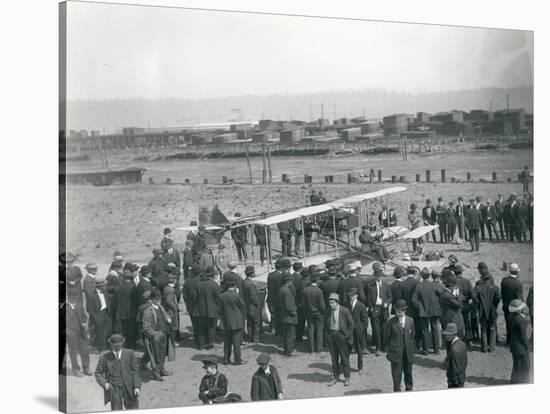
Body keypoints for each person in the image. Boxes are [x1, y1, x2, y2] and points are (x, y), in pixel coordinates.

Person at [95, 334, 141, 410]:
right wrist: (105, 383)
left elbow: (135, 371)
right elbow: (98, 373)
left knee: (133, 408)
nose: (117, 348)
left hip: (129, 386)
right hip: (114, 387)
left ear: (122, 344)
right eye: (115, 346)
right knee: (116, 409)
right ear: (111, 345)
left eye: (119, 346)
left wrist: (136, 386)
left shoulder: (130, 354)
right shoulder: (104, 357)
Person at [141, 288, 173, 381]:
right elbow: (146, 328)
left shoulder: (161, 307)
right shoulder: (148, 311)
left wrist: (168, 319)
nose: (159, 300)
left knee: (163, 354)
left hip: (164, 334)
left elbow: (166, 316)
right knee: (156, 356)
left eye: (160, 298)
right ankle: (156, 373)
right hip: (155, 337)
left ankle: (162, 370)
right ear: (151, 299)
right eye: (156, 299)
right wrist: (155, 334)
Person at [384, 299, 415, 392]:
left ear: (404, 311)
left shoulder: (410, 321)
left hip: (408, 354)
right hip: (396, 354)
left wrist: (411, 351)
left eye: (400, 311)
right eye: (396, 311)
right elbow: (387, 338)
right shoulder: (391, 322)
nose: (398, 313)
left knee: (408, 375)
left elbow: (412, 336)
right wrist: (390, 352)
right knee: (396, 377)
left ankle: (409, 390)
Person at [326, 293, 354, 386]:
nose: (331, 305)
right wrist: (327, 336)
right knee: (334, 359)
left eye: (333, 303)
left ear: (337, 302)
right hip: (331, 336)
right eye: (330, 303)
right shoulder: (328, 311)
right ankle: (336, 377)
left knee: (344, 358)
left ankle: (347, 378)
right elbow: (326, 324)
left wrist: (346, 335)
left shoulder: (344, 311)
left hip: (341, 336)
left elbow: (351, 324)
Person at [412, 268, 441, 355]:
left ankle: (426, 350)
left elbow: (414, 300)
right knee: (435, 329)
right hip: (434, 310)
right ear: (429, 275)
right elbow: (442, 294)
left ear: (421, 275)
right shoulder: (434, 285)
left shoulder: (419, 285)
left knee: (425, 330)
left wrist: (420, 306)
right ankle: (436, 350)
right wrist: (437, 303)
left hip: (423, 311)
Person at [472, 268, 501, 353]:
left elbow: (473, 296)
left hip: (482, 311)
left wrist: (478, 303)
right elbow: (498, 297)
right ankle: (491, 348)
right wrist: (494, 304)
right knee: (492, 328)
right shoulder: (495, 287)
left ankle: (484, 348)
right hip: (492, 310)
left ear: (482, 278)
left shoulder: (478, 288)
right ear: (489, 278)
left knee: (483, 329)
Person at [65, 290, 92, 377]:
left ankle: (86, 367)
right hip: (71, 332)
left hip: (81, 332)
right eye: (73, 298)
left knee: (85, 350)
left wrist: (84, 322)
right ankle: (76, 369)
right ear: (68, 298)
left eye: (76, 297)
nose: (75, 300)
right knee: (73, 352)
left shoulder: (79, 305)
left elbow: (84, 315)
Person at [367, 263, 392, 355]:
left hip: (384, 308)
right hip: (375, 308)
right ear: (375, 277)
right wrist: (371, 308)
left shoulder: (386, 285)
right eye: (377, 277)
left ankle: (384, 347)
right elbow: (368, 299)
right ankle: (378, 347)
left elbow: (390, 297)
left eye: (380, 276)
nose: (379, 278)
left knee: (384, 328)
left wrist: (387, 303)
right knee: (376, 329)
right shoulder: (370, 286)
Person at [219, 280, 246, 365]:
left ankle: (226, 359)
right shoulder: (236, 296)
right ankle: (237, 359)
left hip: (226, 321)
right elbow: (242, 305)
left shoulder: (222, 296)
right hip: (236, 321)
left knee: (227, 342)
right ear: (234, 286)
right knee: (236, 342)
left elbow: (220, 309)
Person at [112, 265, 138, 350]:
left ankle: (125, 344)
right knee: (132, 328)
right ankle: (132, 345)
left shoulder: (117, 288)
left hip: (120, 311)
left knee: (123, 330)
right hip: (131, 311)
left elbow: (115, 302)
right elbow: (135, 301)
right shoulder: (133, 287)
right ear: (130, 278)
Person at [196, 266, 220, 349]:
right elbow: (218, 298)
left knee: (201, 328)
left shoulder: (199, 285)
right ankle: (210, 343)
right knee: (211, 327)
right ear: (213, 276)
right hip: (212, 309)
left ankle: (201, 344)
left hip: (200, 310)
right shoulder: (215, 285)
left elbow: (196, 297)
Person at [88, 274, 114, 353]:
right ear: (100, 286)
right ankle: (100, 348)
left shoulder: (105, 292)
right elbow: (89, 309)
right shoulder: (92, 296)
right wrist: (95, 317)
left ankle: (107, 346)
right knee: (99, 332)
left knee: (108, 329)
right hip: (98, 314)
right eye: (104, 285)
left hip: (106, 313)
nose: (105, 286)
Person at [508, 299, 531, 383]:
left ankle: (514, 381)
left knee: (516, 365)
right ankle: (523, 382)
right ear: (519, 309)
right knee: (524, 366)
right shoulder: (521, 320)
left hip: (513, 345)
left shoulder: (510, 316)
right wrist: (527, 347)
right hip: (521, 347)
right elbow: (523, 336)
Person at [302, 271, 326, 354]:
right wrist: (323, 312)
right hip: (318, 313)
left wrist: (306, 312)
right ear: (317, 280)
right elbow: (322, 305)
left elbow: (303, 303)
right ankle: (319, 348)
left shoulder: (305, 290)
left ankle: (311, 348)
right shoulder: (319, 291)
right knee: (319, 330)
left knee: (310, 329)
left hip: (309, 313)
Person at [347, 287, 368, 374]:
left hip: (358, 331)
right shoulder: (347, 304)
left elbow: (365, 321)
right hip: (349, 331)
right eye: (349, 295)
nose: (350, 297)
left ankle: (360, 367)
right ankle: (345, 365)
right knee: (347, 348)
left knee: (359, 350)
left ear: (356, 296)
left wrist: (361, 329)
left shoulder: (361, 306)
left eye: (352, 295)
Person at [501, 263, 523, 344]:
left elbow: (502, 294)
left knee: (508, 323)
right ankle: (514, 340)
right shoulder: (518, 283)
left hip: (506, 305)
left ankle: (508, 339)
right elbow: (520, 297)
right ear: (517, 272)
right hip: (515, 307)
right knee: (515, 324)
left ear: (510, 271)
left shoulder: (504, 281)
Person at [439, 271, 465, 341]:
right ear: (451, 286)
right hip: (452, 320)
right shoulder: (448, 296)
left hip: (449, 320)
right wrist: (457, 296)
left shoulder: (446, 294)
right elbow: (459, 305)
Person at [442, 323, 468, 388]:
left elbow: (455, 369)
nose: (446, 336)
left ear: (453, 335)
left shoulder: (454, 350)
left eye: (448, 335)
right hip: (462, 377)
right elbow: (465, 362)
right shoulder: (462, 344)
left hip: (455, 382)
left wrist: (452, 382)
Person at [400, 266, 421, 349]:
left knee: (407, 327)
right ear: (415, 273)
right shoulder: (418, 283)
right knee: (417, 326)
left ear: (407, 272)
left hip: (406, 309)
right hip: (416, 308)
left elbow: (400, 297)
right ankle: (417, 344)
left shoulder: (403, 283)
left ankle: (407, 343)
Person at [454, 265, 474, 346]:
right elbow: (472, 293)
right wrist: (469, 299)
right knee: (467, 321)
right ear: (461, 272)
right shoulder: (467, 281)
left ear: (455, 273)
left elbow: (454, 295)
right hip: (466, 304)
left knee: (458, 322)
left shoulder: (454, 282)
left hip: (457, 305)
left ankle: (460, 338)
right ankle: (469, 340)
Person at [280, 272, 298, 357]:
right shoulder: (287, 291)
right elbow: (289, 306)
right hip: (289, 317)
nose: (291, 282)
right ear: (288, 281)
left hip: (283, 316)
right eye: (290, 280)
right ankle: (289, 351)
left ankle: (286, 350)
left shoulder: (281, 289)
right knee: (290, 335)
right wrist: (294, 312)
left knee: (286, 334)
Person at [242, 265, 261, 343]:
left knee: (249, 323)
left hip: (247, 304)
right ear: (252, 274)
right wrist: (258, 304)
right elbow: (253, 297)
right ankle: (256, 338)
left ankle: (250, 337)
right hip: (253, 306)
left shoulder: (244, 281)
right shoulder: (251, 284)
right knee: (256, 323)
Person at [267, 259, 284, 336]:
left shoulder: (270, 275)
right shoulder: (281, 276)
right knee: (279, 315)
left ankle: (272, 328)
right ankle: (279, 330)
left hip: (271, 297)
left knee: (273, 315)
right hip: (278, 298)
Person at [162, 273, 180, 346]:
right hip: (171, 311)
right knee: (173, 326)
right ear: (175, 280)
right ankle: (172, 342)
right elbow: (168, 301)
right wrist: (175, 308)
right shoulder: (171, 290)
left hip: (168, 310)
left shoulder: (166, 288)